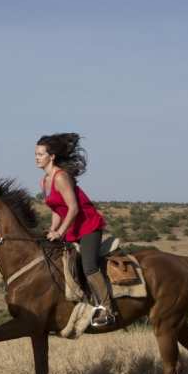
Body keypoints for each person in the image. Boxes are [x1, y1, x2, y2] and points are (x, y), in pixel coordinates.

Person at [36, 133, 115, 328]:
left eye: (40, 154)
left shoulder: (61, 177)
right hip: (69, 228)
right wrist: (52, 230)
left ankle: (107, 309)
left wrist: (60, 233)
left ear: (51, 156)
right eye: (35, 154)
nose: (36, 157)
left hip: (87, 226)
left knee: (89, 266)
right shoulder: (44, 181)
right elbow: (57, 209)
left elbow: (73, 208)